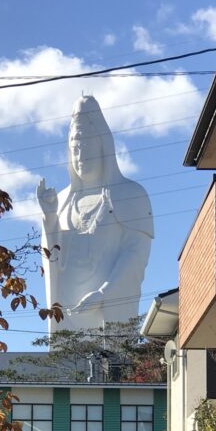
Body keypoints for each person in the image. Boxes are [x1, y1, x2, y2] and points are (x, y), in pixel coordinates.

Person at [37, 95, 154, 332]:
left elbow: (136, 254)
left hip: (105, 308)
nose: (80, 156)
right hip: (68, 311)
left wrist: (105, 293)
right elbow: (53, 261)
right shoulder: (62, 201)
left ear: (102, 145)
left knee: (107, 354)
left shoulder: (130, 193)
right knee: (66, 353)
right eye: (75, 149)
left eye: (86, 146)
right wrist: (50, 219)